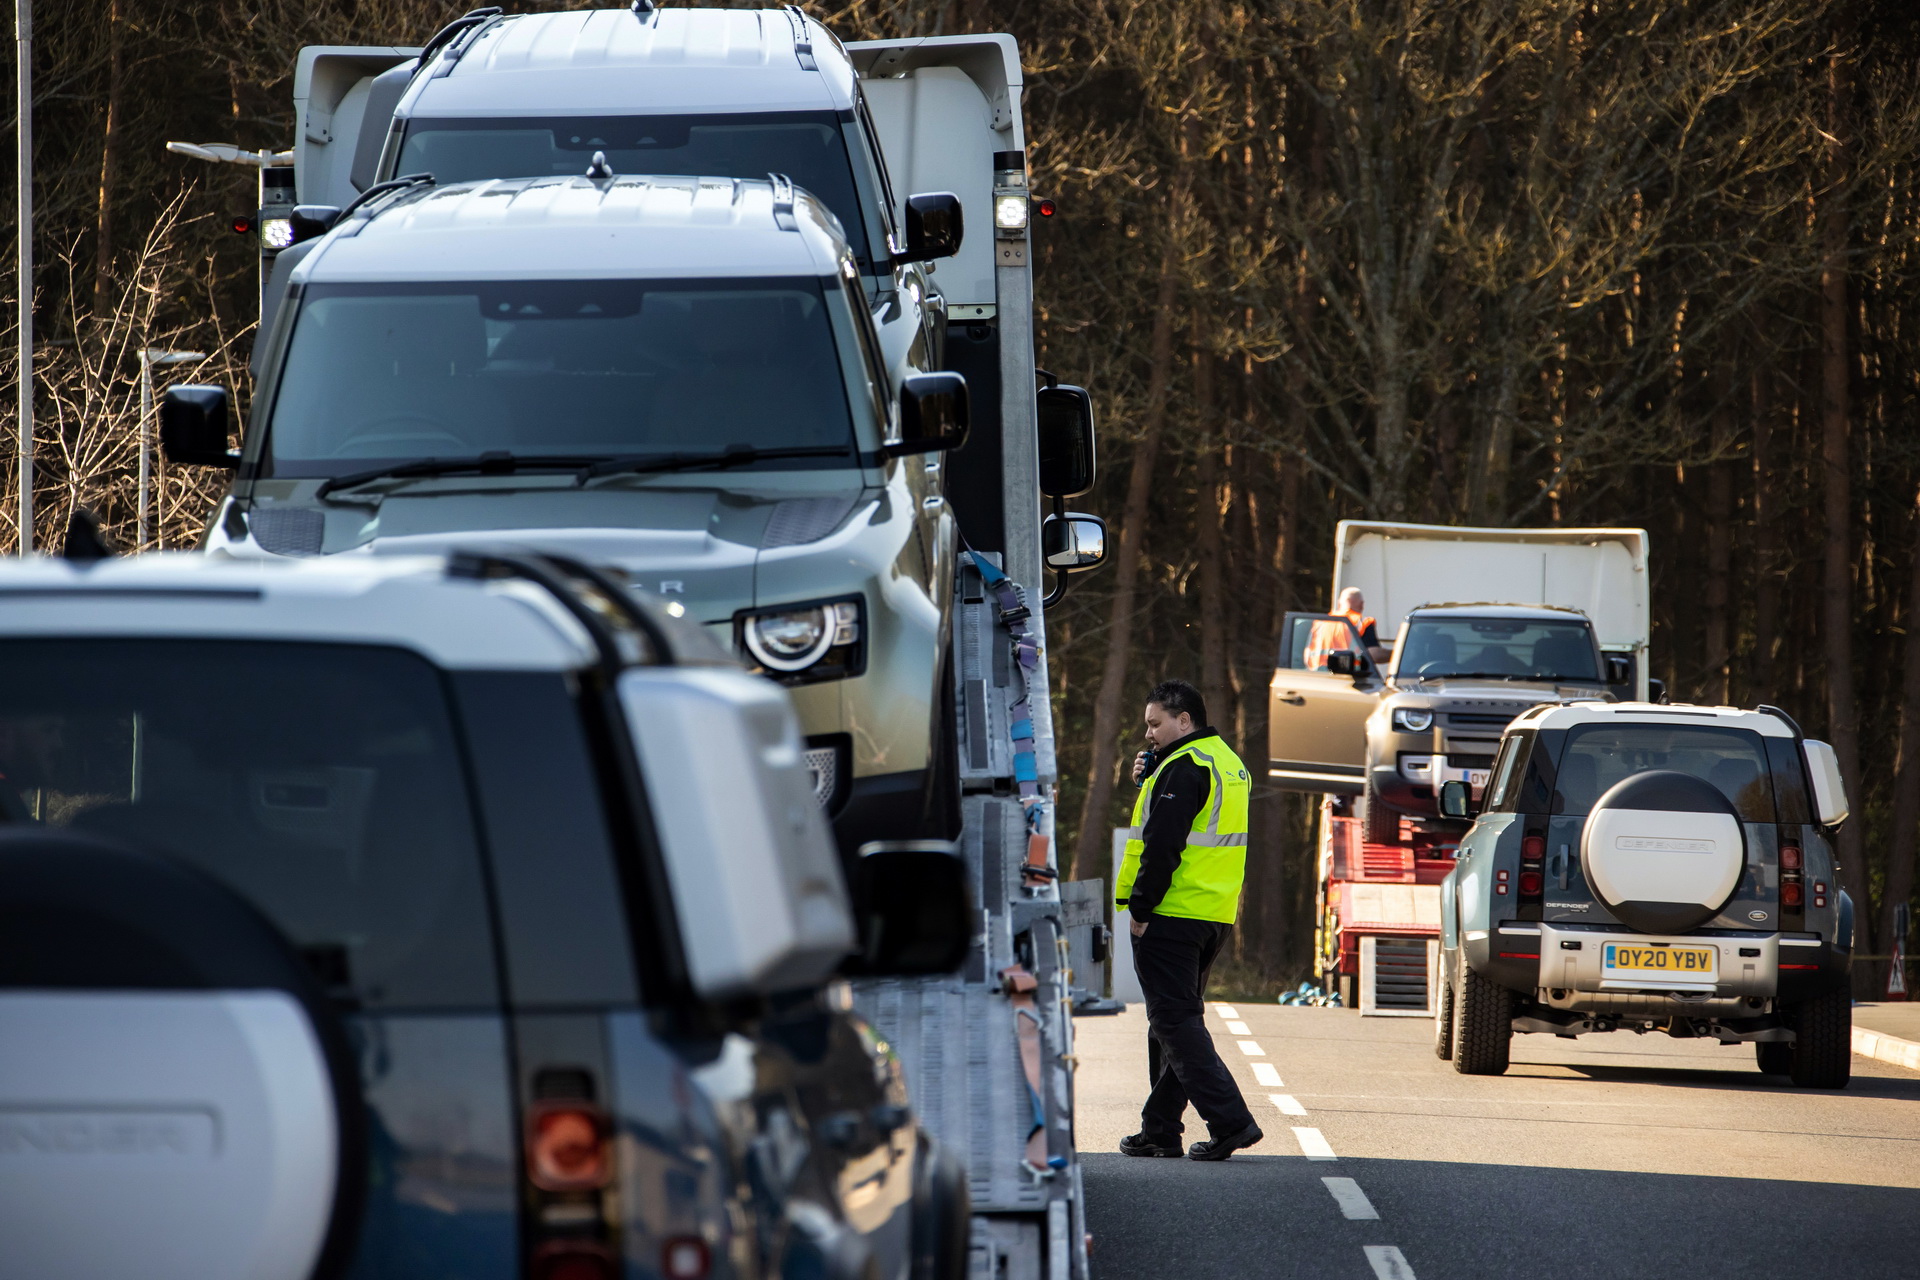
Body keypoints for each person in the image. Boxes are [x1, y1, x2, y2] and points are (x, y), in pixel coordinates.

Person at [1114, 679, 1262, 1161]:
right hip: (1212, 913)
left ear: (1185, 720)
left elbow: (1163, 845)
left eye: (1155, 724)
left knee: (1175, 1023)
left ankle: (1231, 1122)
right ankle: (1159, 1129)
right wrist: (1151, 775)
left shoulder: (1185, 766)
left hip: (1171, 914)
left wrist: (1141, 908)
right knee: (1171, 1025)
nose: (1148, 734)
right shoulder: (1226, 761)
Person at [1337, 586, 1392, 665]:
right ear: (1361, 604)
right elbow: (1374, 655)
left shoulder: (1321, 623)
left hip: (1318, 674)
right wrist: (1399, 654)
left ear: (1339, 603)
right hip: (1350, 675)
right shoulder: (1363, 622)